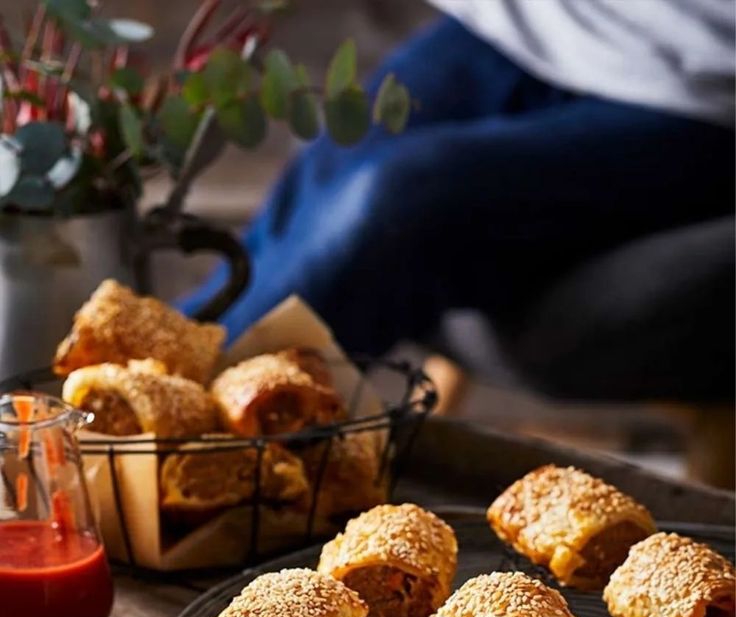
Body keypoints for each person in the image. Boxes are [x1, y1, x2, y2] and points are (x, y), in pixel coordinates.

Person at [180, 0, 734, 357]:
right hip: (518, 28)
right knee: (295, 223)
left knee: (399, 200)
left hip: (698, 93)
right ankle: (128, 413)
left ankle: (167, 453)